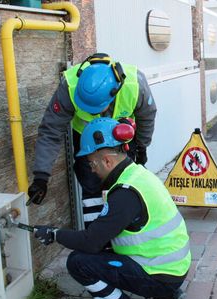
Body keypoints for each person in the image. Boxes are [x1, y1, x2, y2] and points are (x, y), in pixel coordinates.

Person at [33, 117, 190, 299]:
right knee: (103, 249)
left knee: (78, 262)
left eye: (92, 164)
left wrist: (55, 233)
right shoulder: (138, 174)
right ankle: (165, 295)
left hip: (161, 274)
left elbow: (90, 242)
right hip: (173, 268)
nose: (92, 171)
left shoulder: (125, 193)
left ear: (107, 160)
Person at [27, 53, 157, 229]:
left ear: (114, 93)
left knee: (124, 185)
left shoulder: (135, 84)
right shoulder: (69, 88)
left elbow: (147, 116)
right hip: (87, 142)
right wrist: (41, 176)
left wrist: (142, 147)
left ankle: (126, 232)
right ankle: (95, 238)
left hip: (121, 136)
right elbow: (51, 131)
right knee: (91, 188)